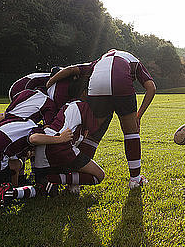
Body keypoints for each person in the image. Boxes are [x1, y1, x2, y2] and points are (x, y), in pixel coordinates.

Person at [46, 49, 156, 189]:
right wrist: (138, 116)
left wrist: (49, 82)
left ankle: (75, 182)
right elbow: (151, 88)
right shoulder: (132, 59)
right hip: (122, 82)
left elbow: (71, 69)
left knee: (93, 133)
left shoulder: (99, 61)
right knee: (131, 132)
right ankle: (135, 179)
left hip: (97, 84)